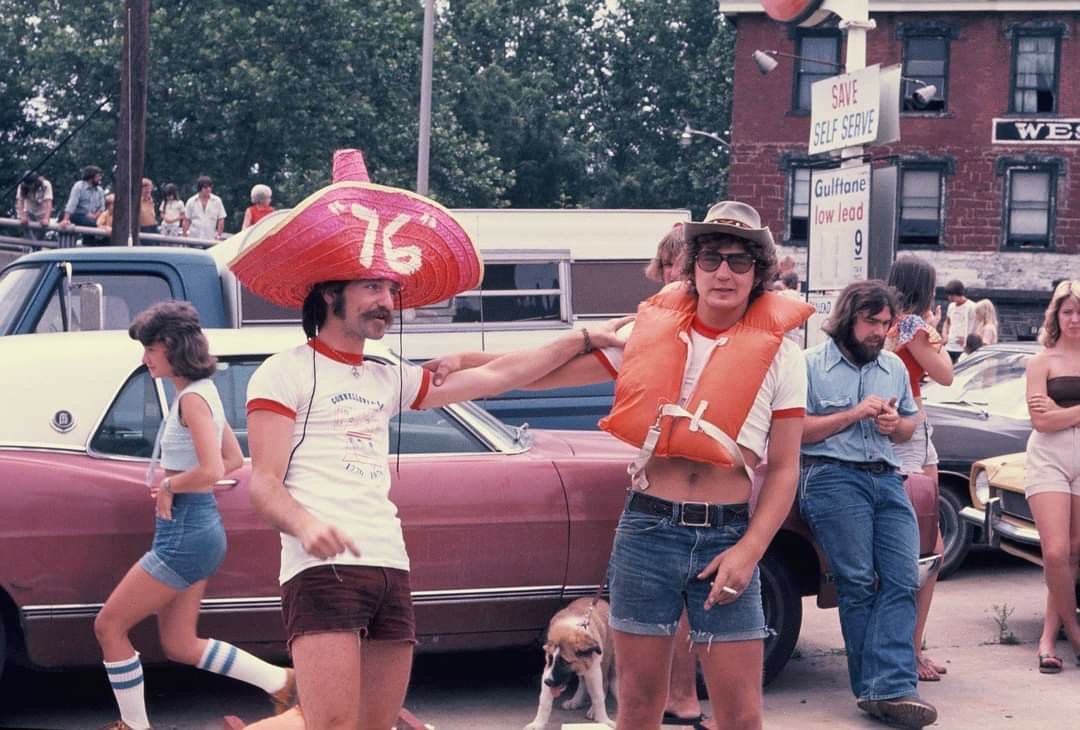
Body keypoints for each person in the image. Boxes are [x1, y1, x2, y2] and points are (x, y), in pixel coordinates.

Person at [234, 149, 630, 729]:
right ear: (327, 294)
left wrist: (582, 338)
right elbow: (263, 485)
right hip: (322, 572)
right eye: (372, 286)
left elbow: (498, 376)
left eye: (390, 289)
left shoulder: (387, 371)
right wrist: (305, 525)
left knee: (377, 724)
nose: (386, 303)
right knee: (331, 726)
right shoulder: (283, 371)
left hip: (389, 564)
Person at [427, 200, 814, 730]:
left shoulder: (783, 355)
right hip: (647, 530)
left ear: (759, 274)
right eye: (712, 259)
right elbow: (543, 372)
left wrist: (750, 552)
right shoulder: (647, 334)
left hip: (726, 536)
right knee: (637, 710)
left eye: (740, 261)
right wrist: (466, 362)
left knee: (743, 717)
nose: (724, 272)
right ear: (691, 268)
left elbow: (787, 467)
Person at [93, 302, 295, 730]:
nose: (145, 357)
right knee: (180, 644)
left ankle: (134, 726)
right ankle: (281, 681)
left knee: (109, 625)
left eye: (149, 348)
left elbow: (213, 468)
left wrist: (169, 485)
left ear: (169, 346)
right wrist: (178, 488)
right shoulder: (201, 392)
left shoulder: (192, 401)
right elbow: (235, 459)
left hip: (186, 533)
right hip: (193, 529)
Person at [799, 280, 937, 728]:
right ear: (846, 319)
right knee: (857, 582)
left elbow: (910, 424)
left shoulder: (894, 366)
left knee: (902, 578)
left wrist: (898, 424)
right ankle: (888, 688)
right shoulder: (809, 365)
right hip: (831, 476)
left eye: (886, 323)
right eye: (871, 322)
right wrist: (854, 414)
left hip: (887, 476)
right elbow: (796, 432)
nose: (880, 331)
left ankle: (884, 690)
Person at [642, 221, 714, 729]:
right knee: (657, 604)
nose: (673, 275)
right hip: (651, 488)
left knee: (692, 601)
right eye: (668, 264)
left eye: (681, 266)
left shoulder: (709, 333)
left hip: (704, 495)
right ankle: (669, 697)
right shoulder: (653, 327)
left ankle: (683, 697)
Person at [885, 257, 954, 683]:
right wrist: (937, 336)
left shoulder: (886, 322)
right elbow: (945, 374)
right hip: (913, 431)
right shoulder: (912, 327)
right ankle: (911, 650)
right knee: (928, 550)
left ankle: (911, 646)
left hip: (906, 430)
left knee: (924, 545)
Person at [1023, 279, 1080, 675]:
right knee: (1055, 552)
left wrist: (1062, 408)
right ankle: (1075, 632)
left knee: (1073, 555)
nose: (1076, 319)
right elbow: (1041, 423)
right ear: (1056, 315)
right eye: (1068, 311)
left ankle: (1047, 638)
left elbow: (1053, 413)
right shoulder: (1040, 362)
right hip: (1049, 458)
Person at [60, 164, 107, 245]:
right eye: (98, 176)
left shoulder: (100, 190)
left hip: (94, 217)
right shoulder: (79, 186)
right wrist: (65, 219)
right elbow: (72, 204)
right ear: (91, 177)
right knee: (90, 224)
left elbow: (102, 208)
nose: (100, 178)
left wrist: (95, 215)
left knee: (96, 226)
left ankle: (90, 246)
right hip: (78, 215)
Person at [941, 280, 976, 363]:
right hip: (949, 345)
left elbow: (976, 325)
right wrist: (945, 335)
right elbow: (947, 322)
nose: (949, 298)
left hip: (963, 348)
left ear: (959, 293)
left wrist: (967, 339)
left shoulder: (972, 306)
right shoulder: (951, 306)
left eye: (952, 295)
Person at [183, 176, 227, 241]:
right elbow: (186, 220)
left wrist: (218, 235)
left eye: (210, 187)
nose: (208, 189)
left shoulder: (217, 201)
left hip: (210, 239)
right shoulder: (191, 201)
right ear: (200, 188)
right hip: (193, 239)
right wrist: (185, 235)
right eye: (206, 187)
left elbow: (221, 219)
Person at [14, 172, 53, 241]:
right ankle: (33, 246)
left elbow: (48, 202)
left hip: (42, 213)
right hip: (28, 211)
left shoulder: (46, 184)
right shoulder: (22, 186)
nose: (29, 186)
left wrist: (46, 218)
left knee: (40, 236)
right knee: (25, 228)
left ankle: (36, 247)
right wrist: (22, 216)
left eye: (31, 184)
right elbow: (20, 202)